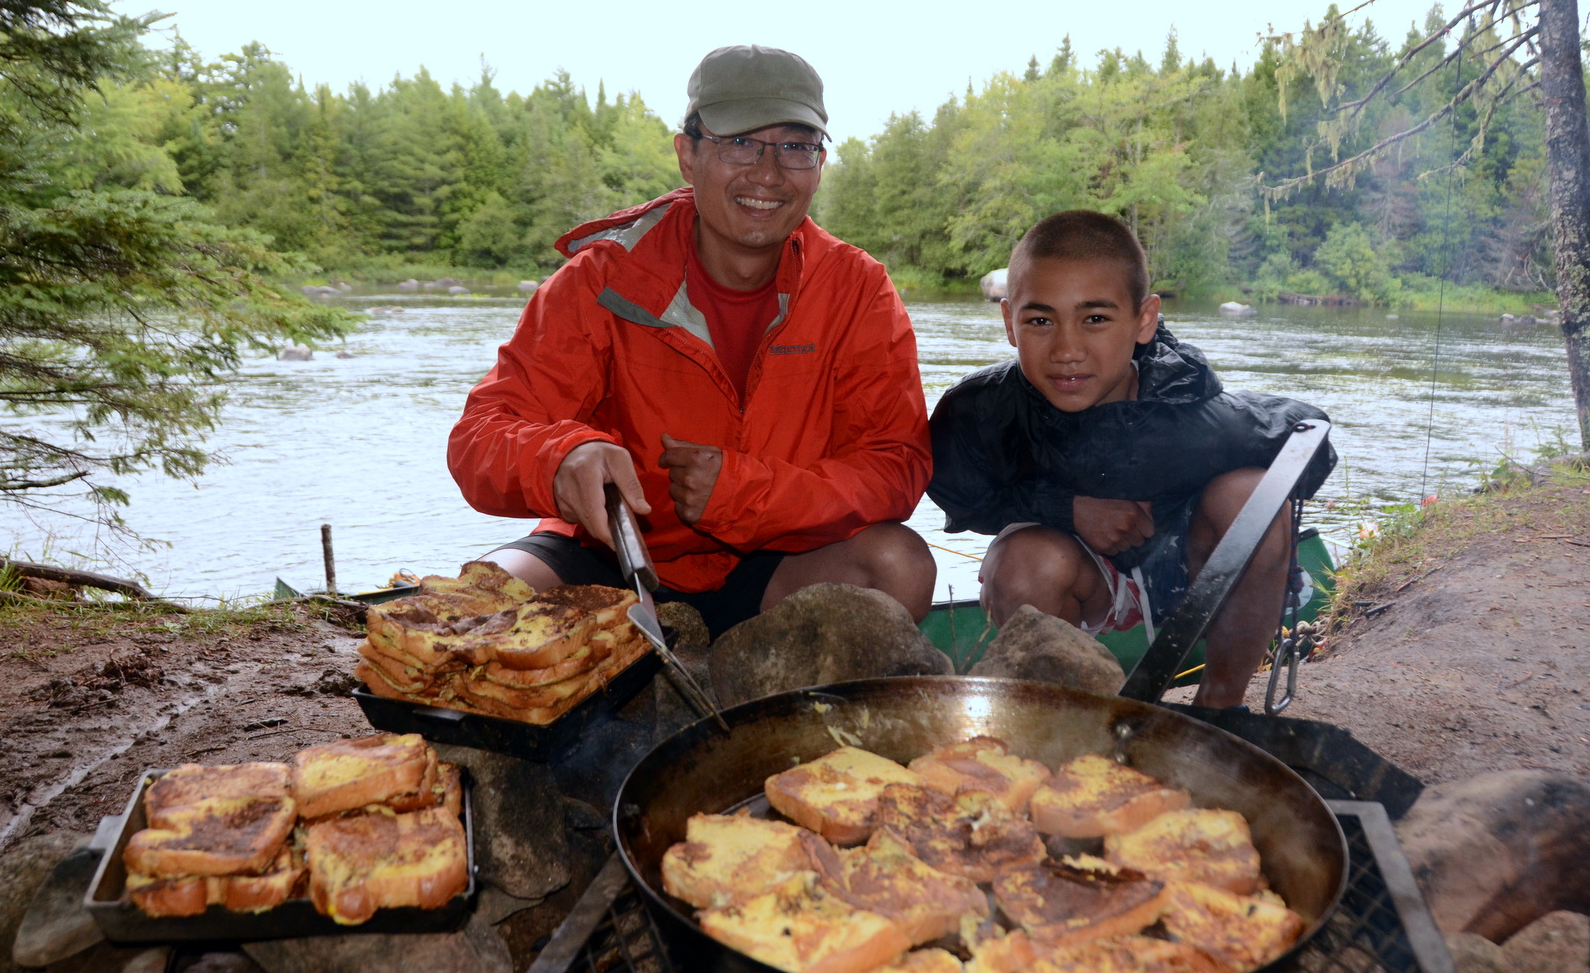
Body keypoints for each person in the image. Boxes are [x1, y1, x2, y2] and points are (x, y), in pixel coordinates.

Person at [447, 45, 935, 639]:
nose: (769, 172)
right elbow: (478, 437)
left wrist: (741, 493)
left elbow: (896, 466)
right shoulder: (604, 279)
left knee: (898, 565)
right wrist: (560, 459)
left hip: (775, 561)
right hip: (608, 557)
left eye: (795, 146)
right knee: (475, 602)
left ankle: (783, 705)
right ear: (687, 154)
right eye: (740, 143)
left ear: (820, 161)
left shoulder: (856, 288)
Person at [927, 210, 1335, 707]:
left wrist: (1241, 527)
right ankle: (1061, 716)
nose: (1067, 349)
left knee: (1253, 497)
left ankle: (1217, 712)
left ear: (1144, 320)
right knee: (1025, 563)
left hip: (1191, 574)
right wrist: (1067, 508)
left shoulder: (1187, 411)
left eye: (1095, 319)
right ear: (1009, 322)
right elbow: (960, 493)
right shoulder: (981, 410)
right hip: (1085, 579)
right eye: (1040, 321)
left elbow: (1307, 433)